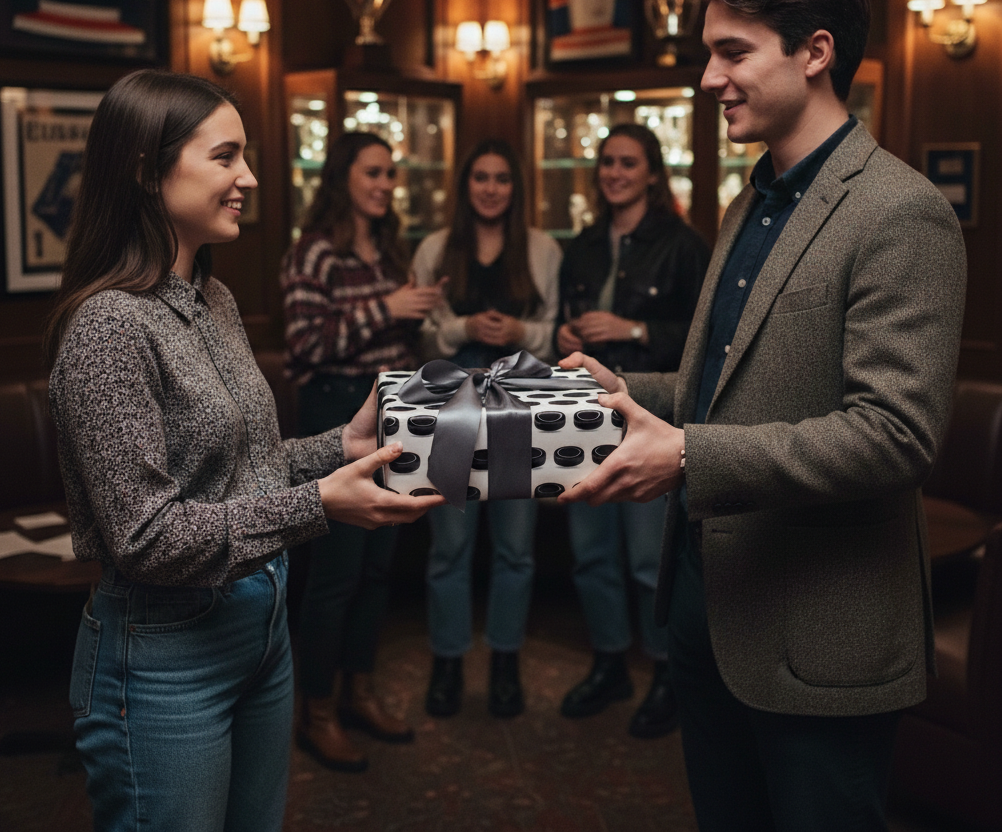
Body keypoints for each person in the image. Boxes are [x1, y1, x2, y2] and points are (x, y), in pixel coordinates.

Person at [559, 0, 967, 832]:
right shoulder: (750, 200)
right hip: (709, 609)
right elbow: (727, 384)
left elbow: (895, 434)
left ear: (815, 52)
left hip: (820, 631)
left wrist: (686, 456)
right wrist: (622, 389)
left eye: (731, 51)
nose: (709, 79)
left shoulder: (900, 212)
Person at [47, 70, 440, 832]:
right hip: (166, 655)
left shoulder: (213, 299)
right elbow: (146, 538)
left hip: (260, 631)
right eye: (225, 157)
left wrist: (340, 446)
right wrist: (320, 503)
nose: (249, 178)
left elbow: (241, 470)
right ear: (144, 169)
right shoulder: (108, 329)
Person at [281, 131, 444, 771]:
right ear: (342, 176)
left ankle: (359, 690)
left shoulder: (388, 251)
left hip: (397, 408)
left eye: (390, 175)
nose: (385, 185)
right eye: (373, 173)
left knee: (380, 566)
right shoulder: (312, 254)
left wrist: (417, 312)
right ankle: (315, 710)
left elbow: (389, 337)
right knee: (336, 574)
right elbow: (305, 343)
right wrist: (387, 307)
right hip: (336, 411)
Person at [555, 123, 709, 737]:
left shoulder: (684, 244)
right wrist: (565, 337)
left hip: (647, 420)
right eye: (607, 162)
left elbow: (704, 346)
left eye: (628, 163)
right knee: (591, 555)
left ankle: (667, 671)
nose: (615, 173)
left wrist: (634, 331)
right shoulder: (584, 244)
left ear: (651, 172)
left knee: (650, 560)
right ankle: (609, 661)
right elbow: (567, 325)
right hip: (580, 417)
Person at [410, 139, 563, 718]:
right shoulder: (435, 247)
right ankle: (447, 661)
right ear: (466, 185)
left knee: (516, 548)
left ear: (514, 188)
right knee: (449, 547)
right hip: (451, 408)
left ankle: (505, 661)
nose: (492, 188)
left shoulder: (544, 248)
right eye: (481, 178)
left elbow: (556, 333)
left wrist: (520, 334)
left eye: (502, 178)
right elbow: (423, 337)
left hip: (518, 410)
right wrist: (463, 327)